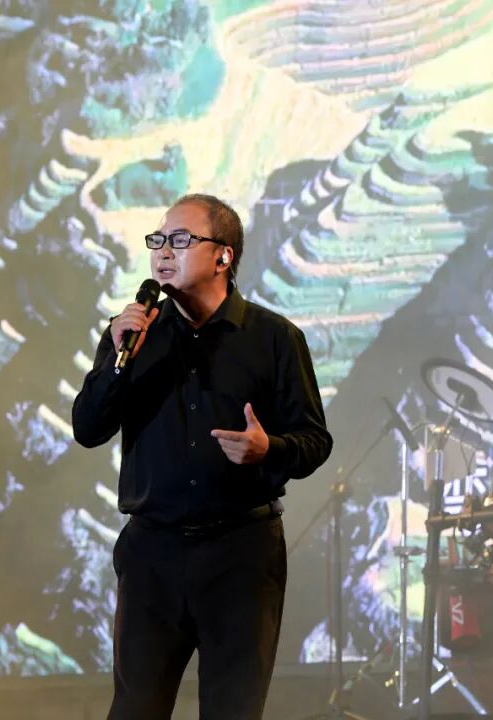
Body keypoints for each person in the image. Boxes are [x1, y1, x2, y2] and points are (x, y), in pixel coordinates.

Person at [72, 193, 333, 719]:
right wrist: (117, 361)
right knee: (135, 709)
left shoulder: (274, 338)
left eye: (181, 239)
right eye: (159, 240)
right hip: (152, 555)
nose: (164, 251)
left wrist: (270, 449)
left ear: (223, 256)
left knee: (233, 710)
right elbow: (88, 428)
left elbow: (314, 440)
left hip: (241, 555)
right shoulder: (132, 335)